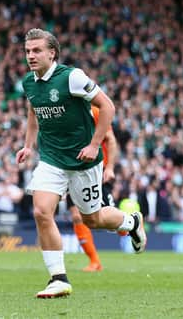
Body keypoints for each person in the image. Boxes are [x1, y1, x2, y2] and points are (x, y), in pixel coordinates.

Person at [16, 28, 147, 299]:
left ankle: (131, 222)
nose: (31, 55)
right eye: (28, 50)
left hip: (83, 160)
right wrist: (28, 146)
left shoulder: (72, 77)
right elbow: (33, 112)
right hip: (51, 158)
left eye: (37, 50)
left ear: (52, 53)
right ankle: (58, 278)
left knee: (93, 218)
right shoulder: (29, 83)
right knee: (41, 212)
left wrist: (94, 144)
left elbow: (108, 106)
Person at [66, 105, 119, 272]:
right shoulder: (65, 113)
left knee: (107, 221)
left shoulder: (95, 112)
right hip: (75, 170)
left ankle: (130, 223)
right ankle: (95, 261)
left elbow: (110, 139)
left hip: (98, 171)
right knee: (76, 215)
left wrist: (109, 167)